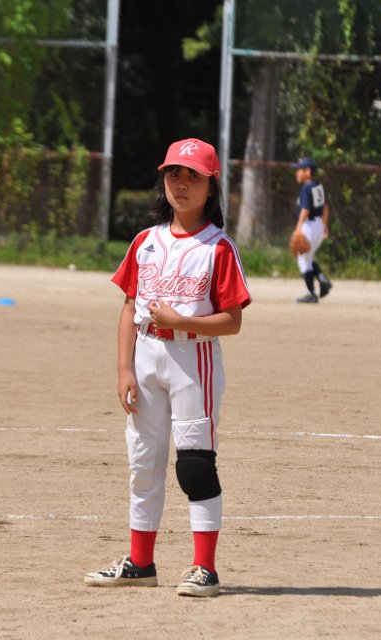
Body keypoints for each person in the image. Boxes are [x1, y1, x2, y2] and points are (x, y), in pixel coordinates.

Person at [84, 138, 252, 598]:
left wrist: (181, 322)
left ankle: (205, 568)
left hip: (192, 360)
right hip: (146, 356)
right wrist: (124, 370)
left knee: (194, 465)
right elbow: (129, 306)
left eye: (193, 176)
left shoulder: (217, 248)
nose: (181, 183)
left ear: (211, 186)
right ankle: (140, 563)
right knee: (143, 462)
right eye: (173, 173)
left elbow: (232, 321)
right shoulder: (146, 242)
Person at [291, 157, 332, 303]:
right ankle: (323, 280)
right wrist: (324, 225)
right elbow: (325, 207)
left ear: (307, 171)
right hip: (318, 224)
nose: (297, 173)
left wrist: (298, 228)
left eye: (299, 170)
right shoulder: (317, 185)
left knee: (303, 259)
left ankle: (311, 293)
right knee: (308, 257)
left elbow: (305, 210)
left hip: (308, 225)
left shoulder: (306, 187)